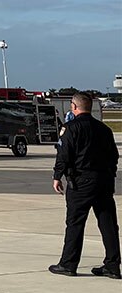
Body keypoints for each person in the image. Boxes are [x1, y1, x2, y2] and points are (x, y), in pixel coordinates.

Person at [48, 93, 119, 278]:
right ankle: (112, 266)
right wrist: (109, 174)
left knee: (75, 223)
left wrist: (57, 176)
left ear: (74, 107)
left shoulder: (70, 128)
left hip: (81, 182)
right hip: (103, 181)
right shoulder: (104, 129)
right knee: (108, 224)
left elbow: (64, 155)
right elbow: (114, 156)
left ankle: (68, 264)